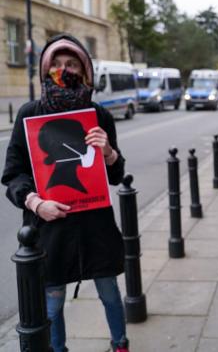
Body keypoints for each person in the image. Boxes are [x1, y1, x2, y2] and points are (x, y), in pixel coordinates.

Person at [2, 34, 129, 352]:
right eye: (56, 64)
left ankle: (120, 344)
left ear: (84, 70)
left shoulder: (98, 114)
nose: (64, 70)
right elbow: (13, 174)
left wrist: (110, 153)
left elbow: (114, 176)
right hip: (52, 226)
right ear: (45, 70)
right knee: (53, 303)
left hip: (95, 225)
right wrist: (36, 203)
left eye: (71, 64)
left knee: (110, 291)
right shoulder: (29, 113)